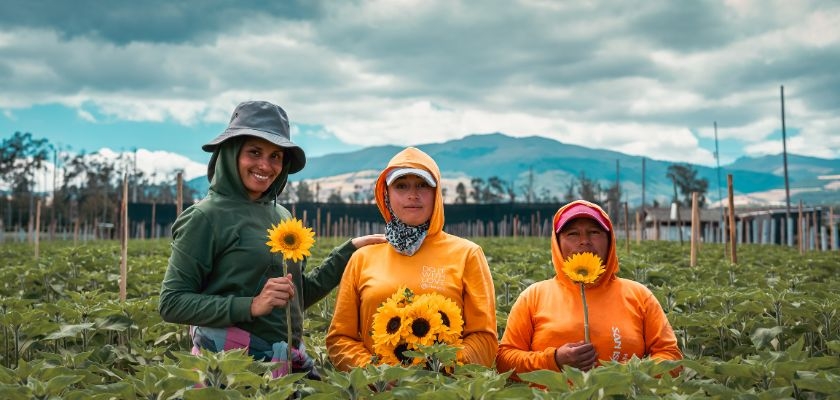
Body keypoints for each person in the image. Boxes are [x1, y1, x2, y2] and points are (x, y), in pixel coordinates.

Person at [158, 100, 384, 379]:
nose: (265, 165)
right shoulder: (206, 217)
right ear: (231, 154)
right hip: (230, 368)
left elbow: (294, 298)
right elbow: (172, 302)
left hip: (284, 363)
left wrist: (347, 252)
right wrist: (250, 305)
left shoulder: (281, 215)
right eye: (254, 152)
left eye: (275, 156)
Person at [325, 147, 498, 371]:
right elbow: (340, 340)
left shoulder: (467, 254)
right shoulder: (362, 259)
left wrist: (439, 369)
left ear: (437, 194)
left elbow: (484, 339)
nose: (412, 195)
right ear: (386, 194)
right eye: (401, 186)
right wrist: (376, 374)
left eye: (422, 185)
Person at [496, 200, 681, 377]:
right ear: (557, 243)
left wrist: (626, 376)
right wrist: (554, 360)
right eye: (572, 234)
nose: (584, 241)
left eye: (594, 232)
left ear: (610, 241)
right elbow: (504, 360)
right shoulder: (534, 296)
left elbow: (671, 357)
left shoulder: (639, 295)